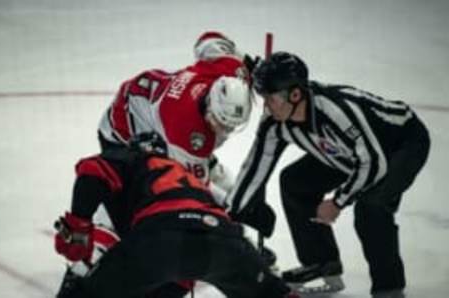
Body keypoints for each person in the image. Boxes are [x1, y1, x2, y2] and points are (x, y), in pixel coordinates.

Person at [226, 52, 431, 297]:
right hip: (348, 152)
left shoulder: (336, 111)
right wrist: (230, 216)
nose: (266, 106)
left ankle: (389, 289)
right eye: (264, 98)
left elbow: (374, 163)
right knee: (294, 182)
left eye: (271, 98)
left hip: (399, 145)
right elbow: (254, 168)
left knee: (371, 209)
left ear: (295, 94)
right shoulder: (274, 122)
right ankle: (322, 262)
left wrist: (338, 201)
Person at [53, 132, 299, 298]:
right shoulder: (188, 176)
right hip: (222, 241)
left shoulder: (135, 159)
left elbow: (92, 170)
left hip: (160, 238)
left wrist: (77, 228)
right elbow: (181, 270)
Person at [97, 31, 254, 206]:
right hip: (121, 132)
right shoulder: (185, 129)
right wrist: (233, 207)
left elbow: (209, 39)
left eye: (232, 127)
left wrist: (250, 64)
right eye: (222, 123)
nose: (226, 131)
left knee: (226, 186)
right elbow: (196, 186)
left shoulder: (231, 71)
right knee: (145, 205)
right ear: (211, 107)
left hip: (153, 109)